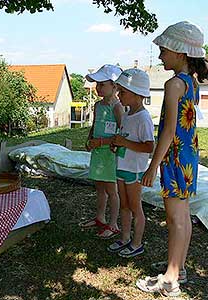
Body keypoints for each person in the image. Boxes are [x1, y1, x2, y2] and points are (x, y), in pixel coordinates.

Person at [136, 21, 208, 297]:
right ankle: (176, 267)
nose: (160, 56)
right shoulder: (191, 82)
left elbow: (168, 130)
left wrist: (152, 166)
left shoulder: (173, 84)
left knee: (176, 218)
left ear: (180, 52)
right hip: (188, 155)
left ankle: (170, 279)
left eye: (164, 50)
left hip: (174, 156)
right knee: (182, 217)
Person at [106, 69, 154, 258]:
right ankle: (125, 237)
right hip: (122, 167)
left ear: (137, 94)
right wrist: (116, 145)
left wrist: (124, 143)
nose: (119, 95)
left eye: (123, 92)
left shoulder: (143, 118)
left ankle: (137, 243)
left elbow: (149, 146)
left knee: (135, 207)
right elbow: (126, 138)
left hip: (134, 171)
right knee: (124, 205)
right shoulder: (126, 115)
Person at [82, 64, 124, 238]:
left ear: (114, 86)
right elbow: (95, 125)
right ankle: (100, 217)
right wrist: (90, 139)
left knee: (111, 190)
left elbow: (122, 134)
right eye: (97, 84)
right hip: (98, 153)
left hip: (110, 154)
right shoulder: (98, 106)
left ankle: (113, 224)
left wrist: (101, 142)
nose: (98, 88)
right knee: (99, 187)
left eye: (102, 84)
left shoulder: (117, 107)